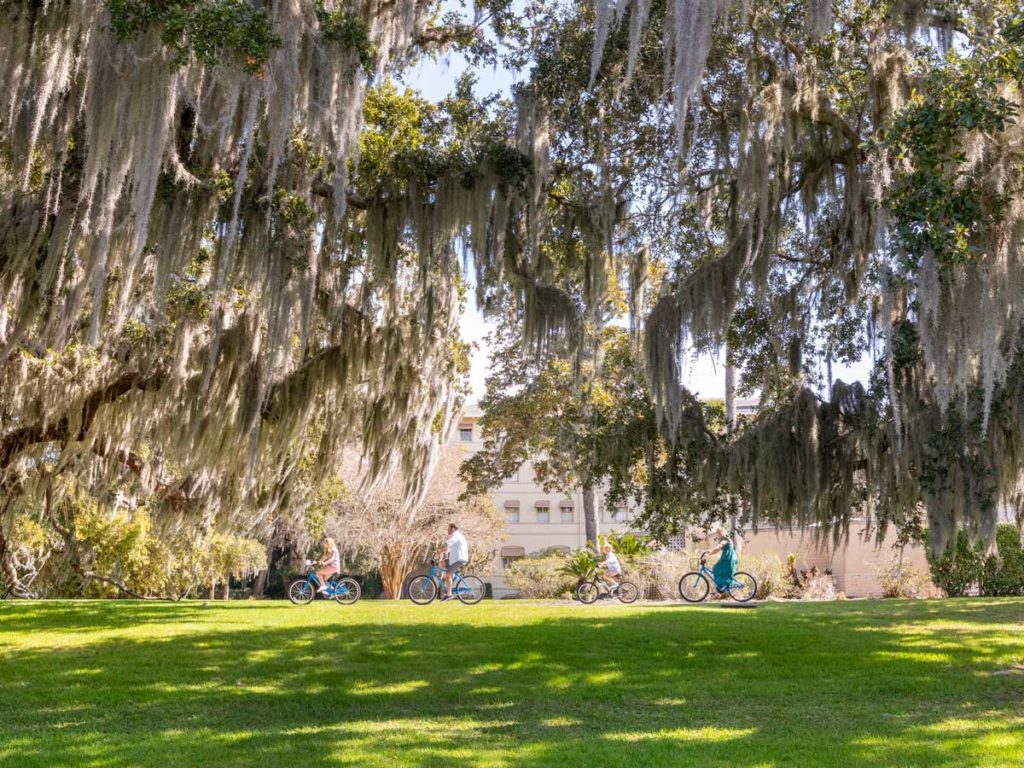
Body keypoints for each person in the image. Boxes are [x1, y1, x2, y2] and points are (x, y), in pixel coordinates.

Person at [438, 523, 468, 602]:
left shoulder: (456, 535)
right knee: (442, 563)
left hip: (459, 559)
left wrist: (439, 551)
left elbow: (449, 544)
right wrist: (441, 552)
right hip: (454, 559)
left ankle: (449, 594)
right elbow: (448, 549)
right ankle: (452, 575)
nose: (447, 530)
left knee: (447, 574)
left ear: (453, 529)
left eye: (449, 529)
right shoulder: (455, 536)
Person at [706, 525, 739, 592]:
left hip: (728, 559)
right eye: (717, 533)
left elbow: (719, 547)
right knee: (717, 569)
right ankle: (721, 587)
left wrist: (709, 552)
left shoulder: (725, 540)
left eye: (718, 533)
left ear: (722, 533)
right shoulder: (724, 540)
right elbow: (717, 550)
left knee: (716, 568)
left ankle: (724, 586)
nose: (717, 534)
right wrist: (710, 552)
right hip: (728, 558)